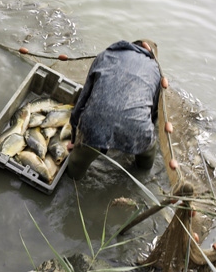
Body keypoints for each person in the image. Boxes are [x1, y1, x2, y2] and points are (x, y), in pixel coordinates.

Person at [66, 39, 161, 180]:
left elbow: (83, 99)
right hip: (137, 128)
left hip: (95, 124)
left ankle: (71, 183)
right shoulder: (155, 69)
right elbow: (153, 114)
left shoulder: (104, 55)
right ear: (150, 53)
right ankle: (143, 176)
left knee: (76, 164)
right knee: (147, 152)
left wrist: (75, 138)